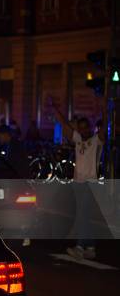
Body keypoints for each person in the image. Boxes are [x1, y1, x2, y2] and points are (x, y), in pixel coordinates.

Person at [49, 96, 105, 260]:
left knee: (82, 214)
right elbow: (65, 126)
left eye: (85, 127)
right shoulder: (79, 140)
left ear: (90, 128)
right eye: (80, 128)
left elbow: (103, 129)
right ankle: (91, 247)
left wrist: (105, 108)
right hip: (78, 184)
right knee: (85, 215)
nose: (83, 130)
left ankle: (80, 246)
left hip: (89, 183)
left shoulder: (96, 141)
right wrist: (55, 110)